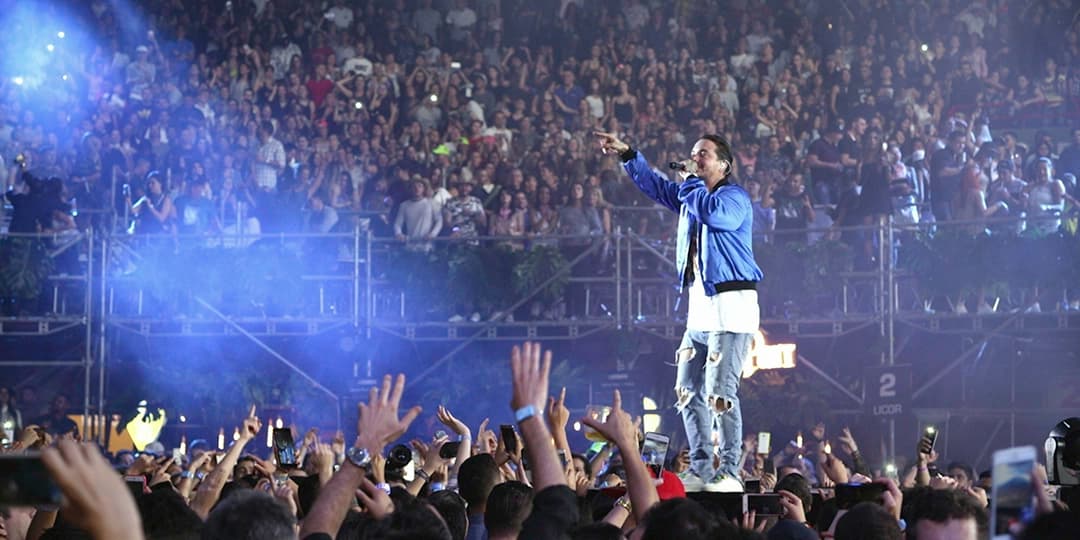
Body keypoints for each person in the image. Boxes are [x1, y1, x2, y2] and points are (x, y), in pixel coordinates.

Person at [595, 130, 762, 492]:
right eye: (692, 153)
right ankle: (702, 468)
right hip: (700, 305)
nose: (695, 159)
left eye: (703, 154)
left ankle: (729, 470)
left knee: (720, 392)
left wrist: (689, 183)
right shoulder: (692, 196)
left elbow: (715, 216)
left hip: (732, 305)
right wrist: (628, 154)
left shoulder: (734, 198)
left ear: (724, 164)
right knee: (687, 389)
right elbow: (655, 185)